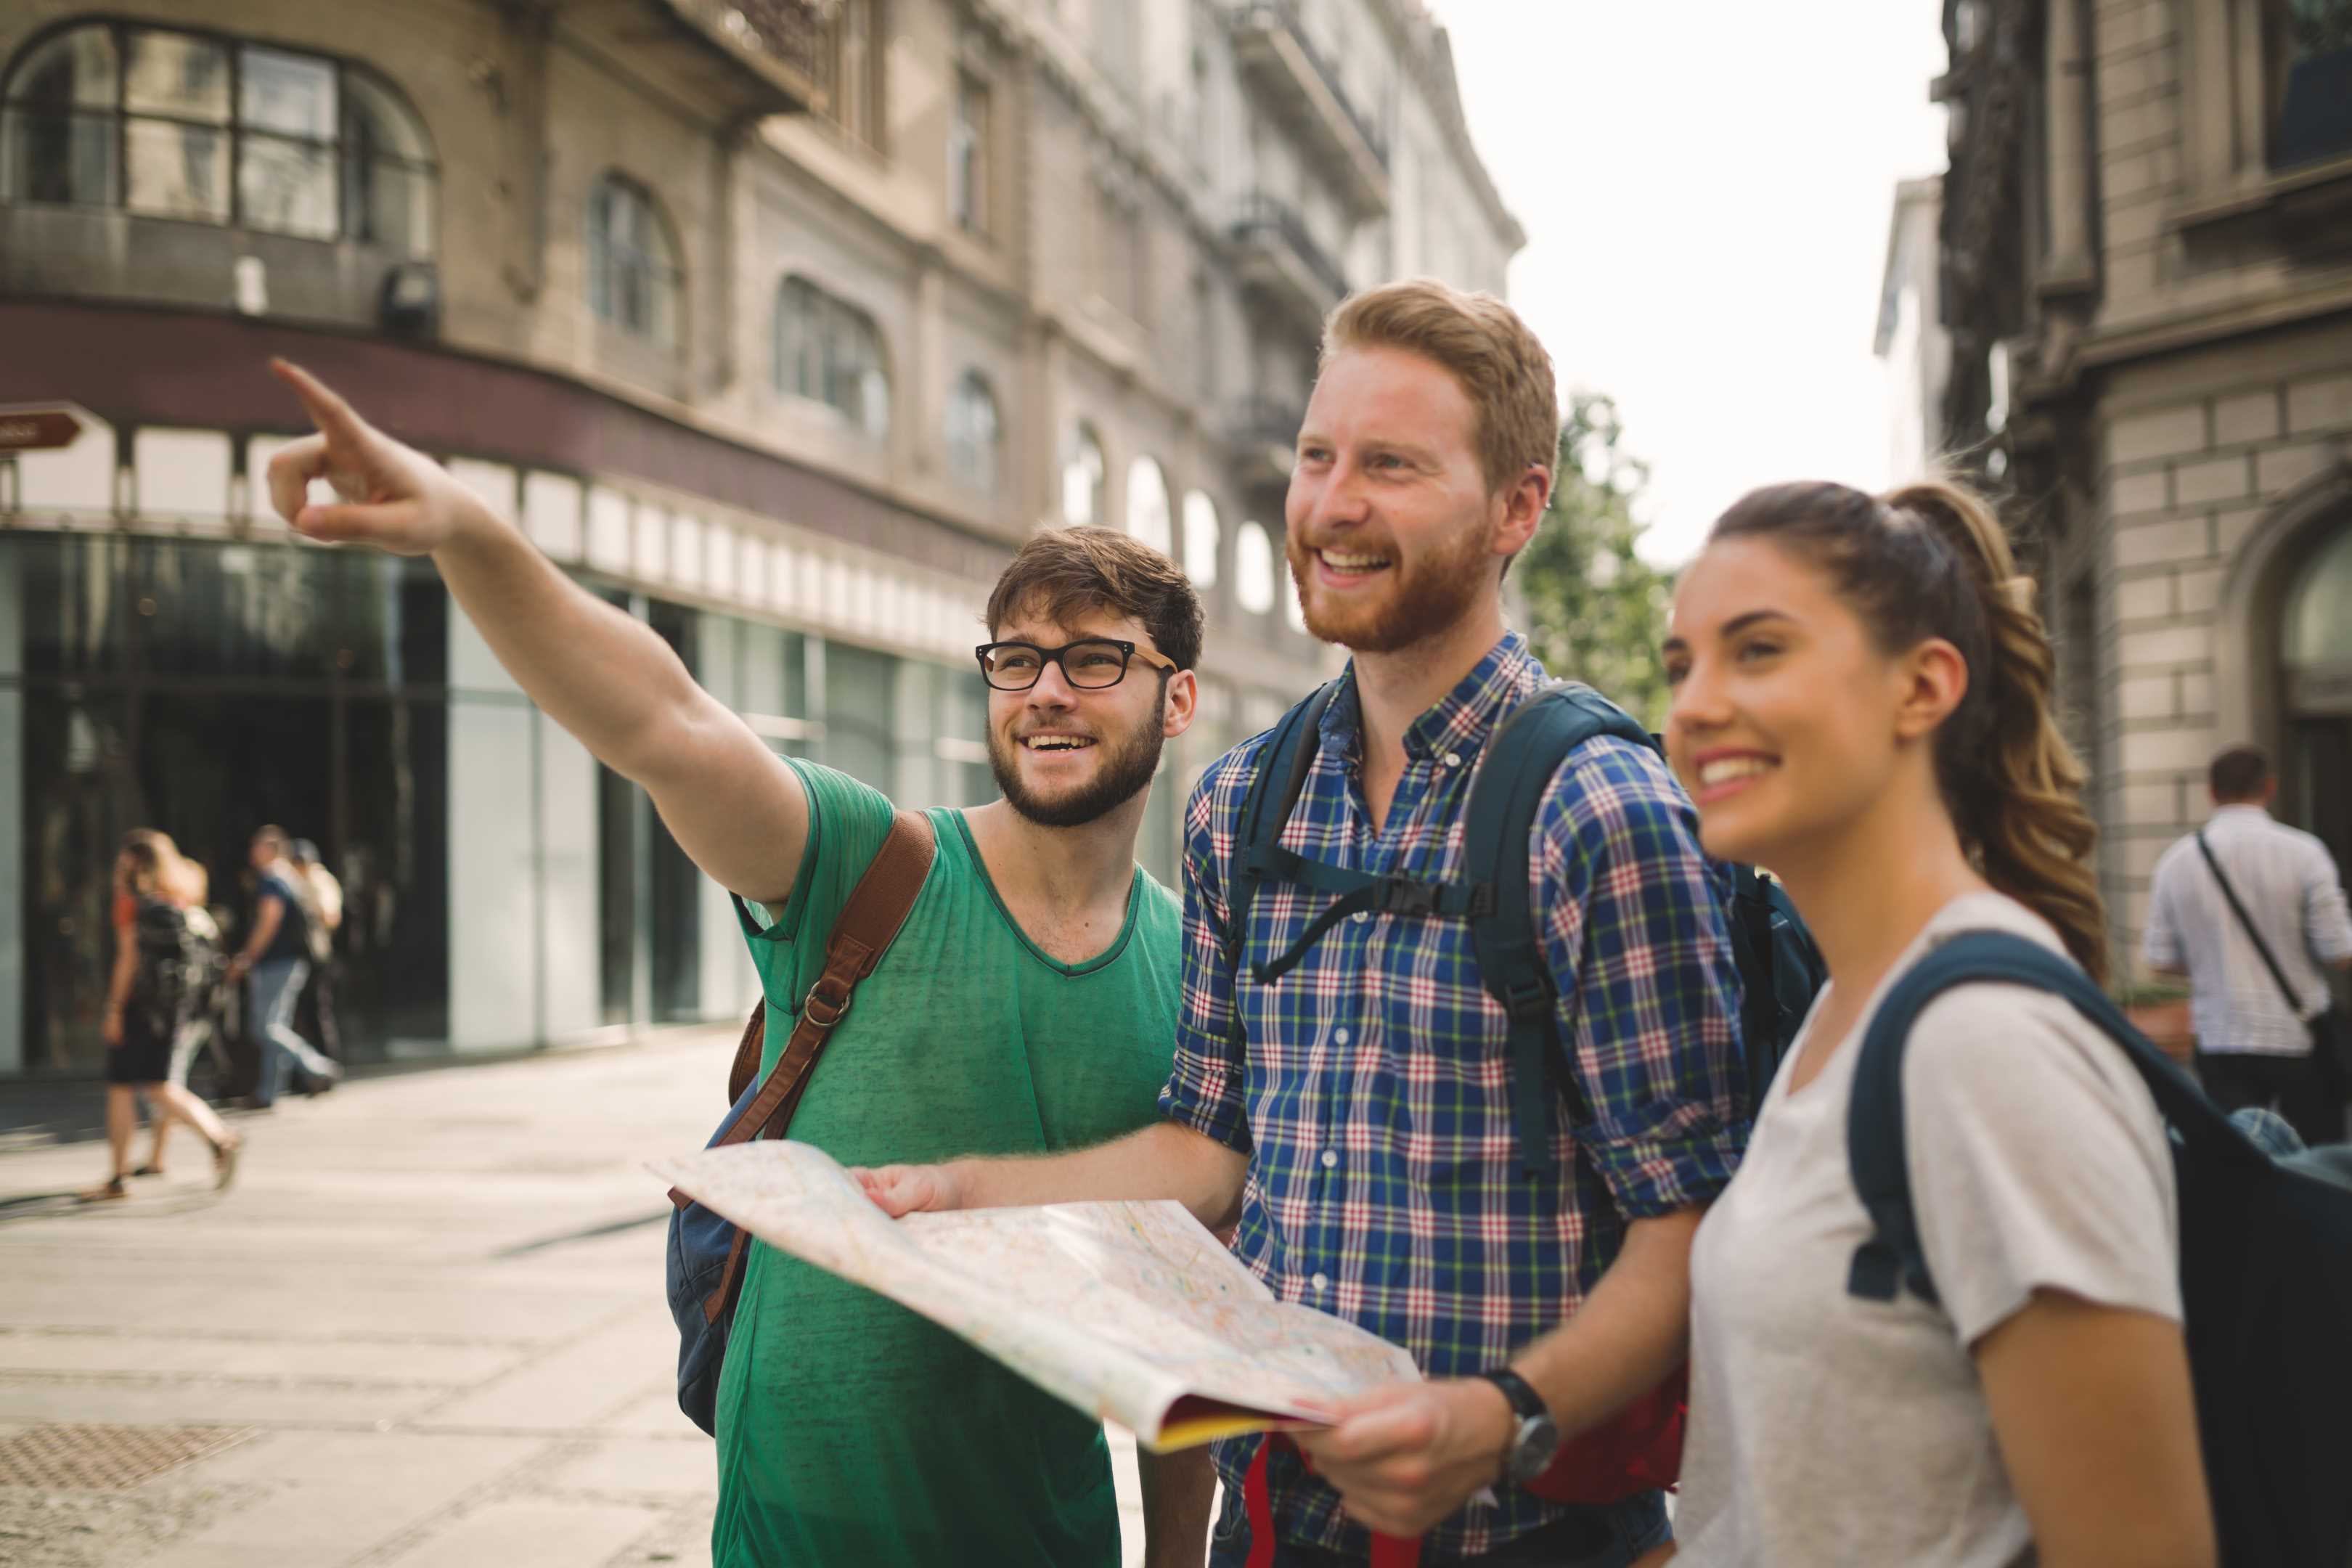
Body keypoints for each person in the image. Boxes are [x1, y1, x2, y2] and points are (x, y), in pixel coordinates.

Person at [259, 358, 1216, 1568]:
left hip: (1044, 1539)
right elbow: (666, 720)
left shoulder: (1196, 970)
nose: (1043, 692)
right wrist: (467, 531)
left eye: (1092, 659)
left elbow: (1181, 1310)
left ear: (1176, 700)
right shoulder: (880, 868)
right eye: (1014, 659)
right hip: (794, 1535)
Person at [862, 279, 1747, 1566]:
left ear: (1519, 506)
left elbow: (1691, 1223)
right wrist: (961, 1191)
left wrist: (1501, 1417)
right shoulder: (1240, 806)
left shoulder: (1597, 808)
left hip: (1528, 1537)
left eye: (1390, 465)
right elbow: (1210, 1152)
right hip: (1275, 1530)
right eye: (1318, 459)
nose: (1333, 506)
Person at [1656, 479, 2214, 1564]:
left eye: (1757, 651)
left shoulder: (1985, 1046)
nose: (1695, 707)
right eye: (1683, 666)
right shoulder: (1844, 1010)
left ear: (1925, 687)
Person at [2144, 746, 2352, 1147]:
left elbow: (2160, 959)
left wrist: (2213, 958)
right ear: (2269, 788)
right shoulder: (2305, 853)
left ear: (2211, 792)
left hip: (2220, 1035)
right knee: (2320, 1159)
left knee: (2238, 1164)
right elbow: (2339, 951)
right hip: (2299, 1034)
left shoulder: (2176, 861)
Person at [84, 833, 242, 1200]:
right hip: (173, 1007)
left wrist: (114, 1008)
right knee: (161, 1084)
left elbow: (128, 959)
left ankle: (118, 1178)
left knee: (124, 1086)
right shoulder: (179, 896)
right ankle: (214, 1140)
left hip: (139, 1005)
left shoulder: (131, 901)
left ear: (133, 863)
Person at [226, 825, 342, 1108]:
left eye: (258, 846)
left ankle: (318, 1066)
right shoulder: (290, 878)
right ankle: (268, 1092)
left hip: (276, 962)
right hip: (291, 961)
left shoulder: (273, 881)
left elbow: (269, 923)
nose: (252, 851)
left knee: (266, 1027)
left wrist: (246, 957)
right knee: (275, 1024)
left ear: (272, 849)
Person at [289, 838, 345, 1063]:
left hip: (317, 955)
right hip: (306, 954)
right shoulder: (299, 881)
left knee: (318, 1011)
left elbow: (331, 916)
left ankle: (327, 1063)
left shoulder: (318, 881)